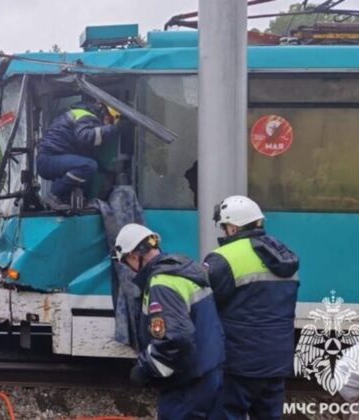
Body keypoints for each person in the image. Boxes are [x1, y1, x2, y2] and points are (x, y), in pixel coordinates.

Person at [115, 223, 224, 419]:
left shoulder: (162, 283)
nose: (129, 269)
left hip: (186, 383)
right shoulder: (184, 271)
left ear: (133, 256)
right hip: (208, 370)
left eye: (126, 262)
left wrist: (145, 368)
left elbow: (175, 338)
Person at [205, 195, 299, 420]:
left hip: (238, 362)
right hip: (277, 359)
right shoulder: (284, 255)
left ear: (233, 227)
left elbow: (204, 304)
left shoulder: (224, 258)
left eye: (225, 227)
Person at [36, 99, 123, 207]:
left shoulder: (82, 114)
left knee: (90, 168)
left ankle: (68, 200)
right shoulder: (87, 116)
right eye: (109, 119)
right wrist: (112, 129)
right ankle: (53, 195)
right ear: (102, 111)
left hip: (51, 159)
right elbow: (85, 137)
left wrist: (107, 171)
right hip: (49, 159)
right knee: (88, 165)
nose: (107, 123)